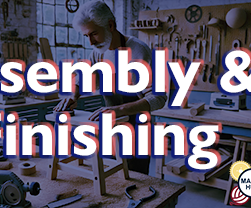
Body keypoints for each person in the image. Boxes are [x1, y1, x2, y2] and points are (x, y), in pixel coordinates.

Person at [54, 1, 167, 174]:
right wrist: (73, 96)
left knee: (136, 179)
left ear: (111, 25)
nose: (91, 41)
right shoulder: (98, 51)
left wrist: (119, 109)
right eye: (86, 36)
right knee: (110, 176)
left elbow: (158, 98)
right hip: (110, 125)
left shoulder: (138, 51)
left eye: (94, 34)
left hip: (137, 128)